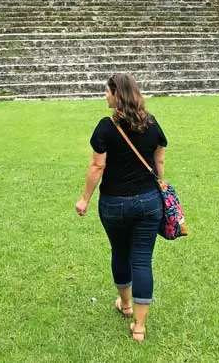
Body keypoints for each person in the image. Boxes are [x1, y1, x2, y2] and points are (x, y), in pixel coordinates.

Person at [75, 72, 167, 343]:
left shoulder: (106, 126)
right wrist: (161, 183)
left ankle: (126, 305)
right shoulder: (151, 123)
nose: (105, 96)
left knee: (120, 252)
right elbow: (159, 160)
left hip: (114, 203)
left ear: (118, 95)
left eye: (107, 91)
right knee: (142, 260)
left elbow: (97, 166)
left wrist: (84, 199)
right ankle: (139, 328)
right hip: (149, 202)